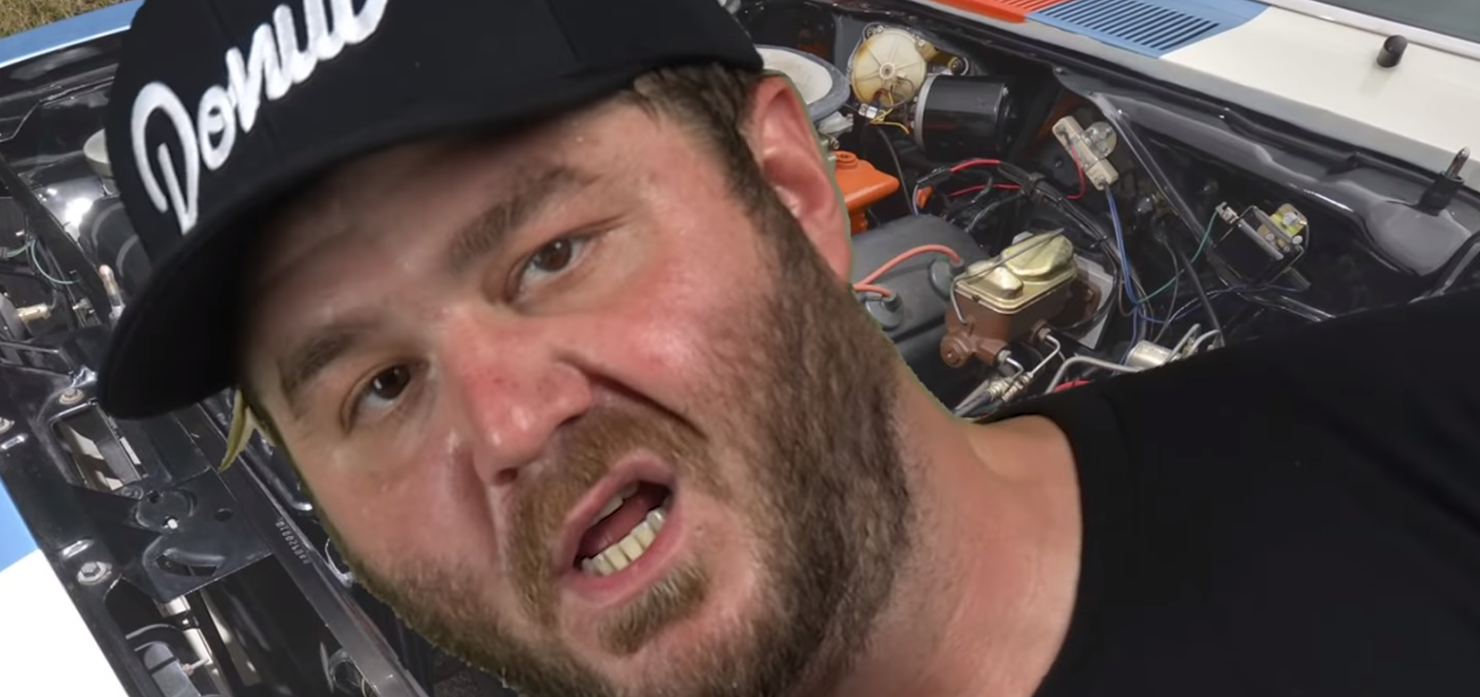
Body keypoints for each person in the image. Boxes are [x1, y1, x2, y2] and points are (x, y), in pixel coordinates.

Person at [95, 0, 1480, 695]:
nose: (507, 425)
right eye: (378, 385)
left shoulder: (1429, 448)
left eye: (551, 253)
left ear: (793, 189)